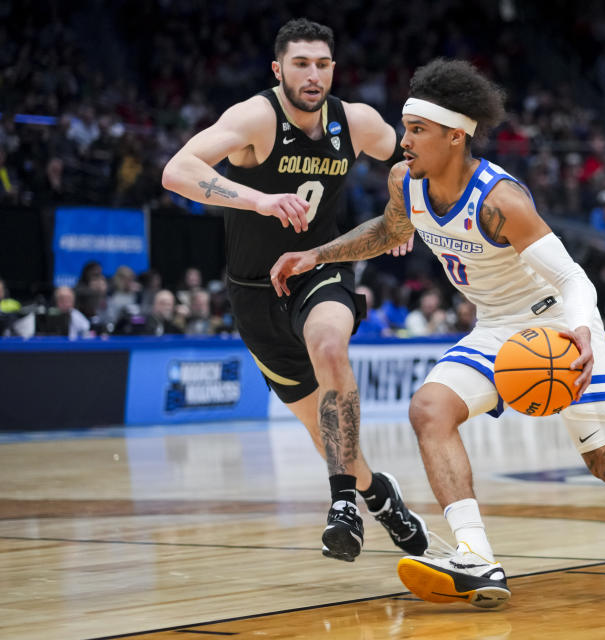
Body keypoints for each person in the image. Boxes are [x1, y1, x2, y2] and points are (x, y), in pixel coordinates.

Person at [270, 59, 605, 609]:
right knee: (429, 410)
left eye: (417, 131)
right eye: (405, 127)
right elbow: (390, 230)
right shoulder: (405, 182)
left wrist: (580, 331)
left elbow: (572, 278)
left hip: (558, 325)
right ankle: (477, 558)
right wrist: (317, 255)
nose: (403, 140)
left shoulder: (500, 202)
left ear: (455, 137)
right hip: (495, 328)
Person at [161, 18, 427, 562]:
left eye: (322, 64)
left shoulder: (354, 122)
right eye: (301, 64)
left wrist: (404, 214)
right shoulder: (256, 116)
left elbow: (416, 159)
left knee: (331, 345)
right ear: (279, 69)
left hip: (316, 266)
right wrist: (258, 200)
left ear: (334, 69)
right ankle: (379, 495)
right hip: (253, 291)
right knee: (328, 433)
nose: (313, 75)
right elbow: (177, 170)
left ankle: (343, 507)